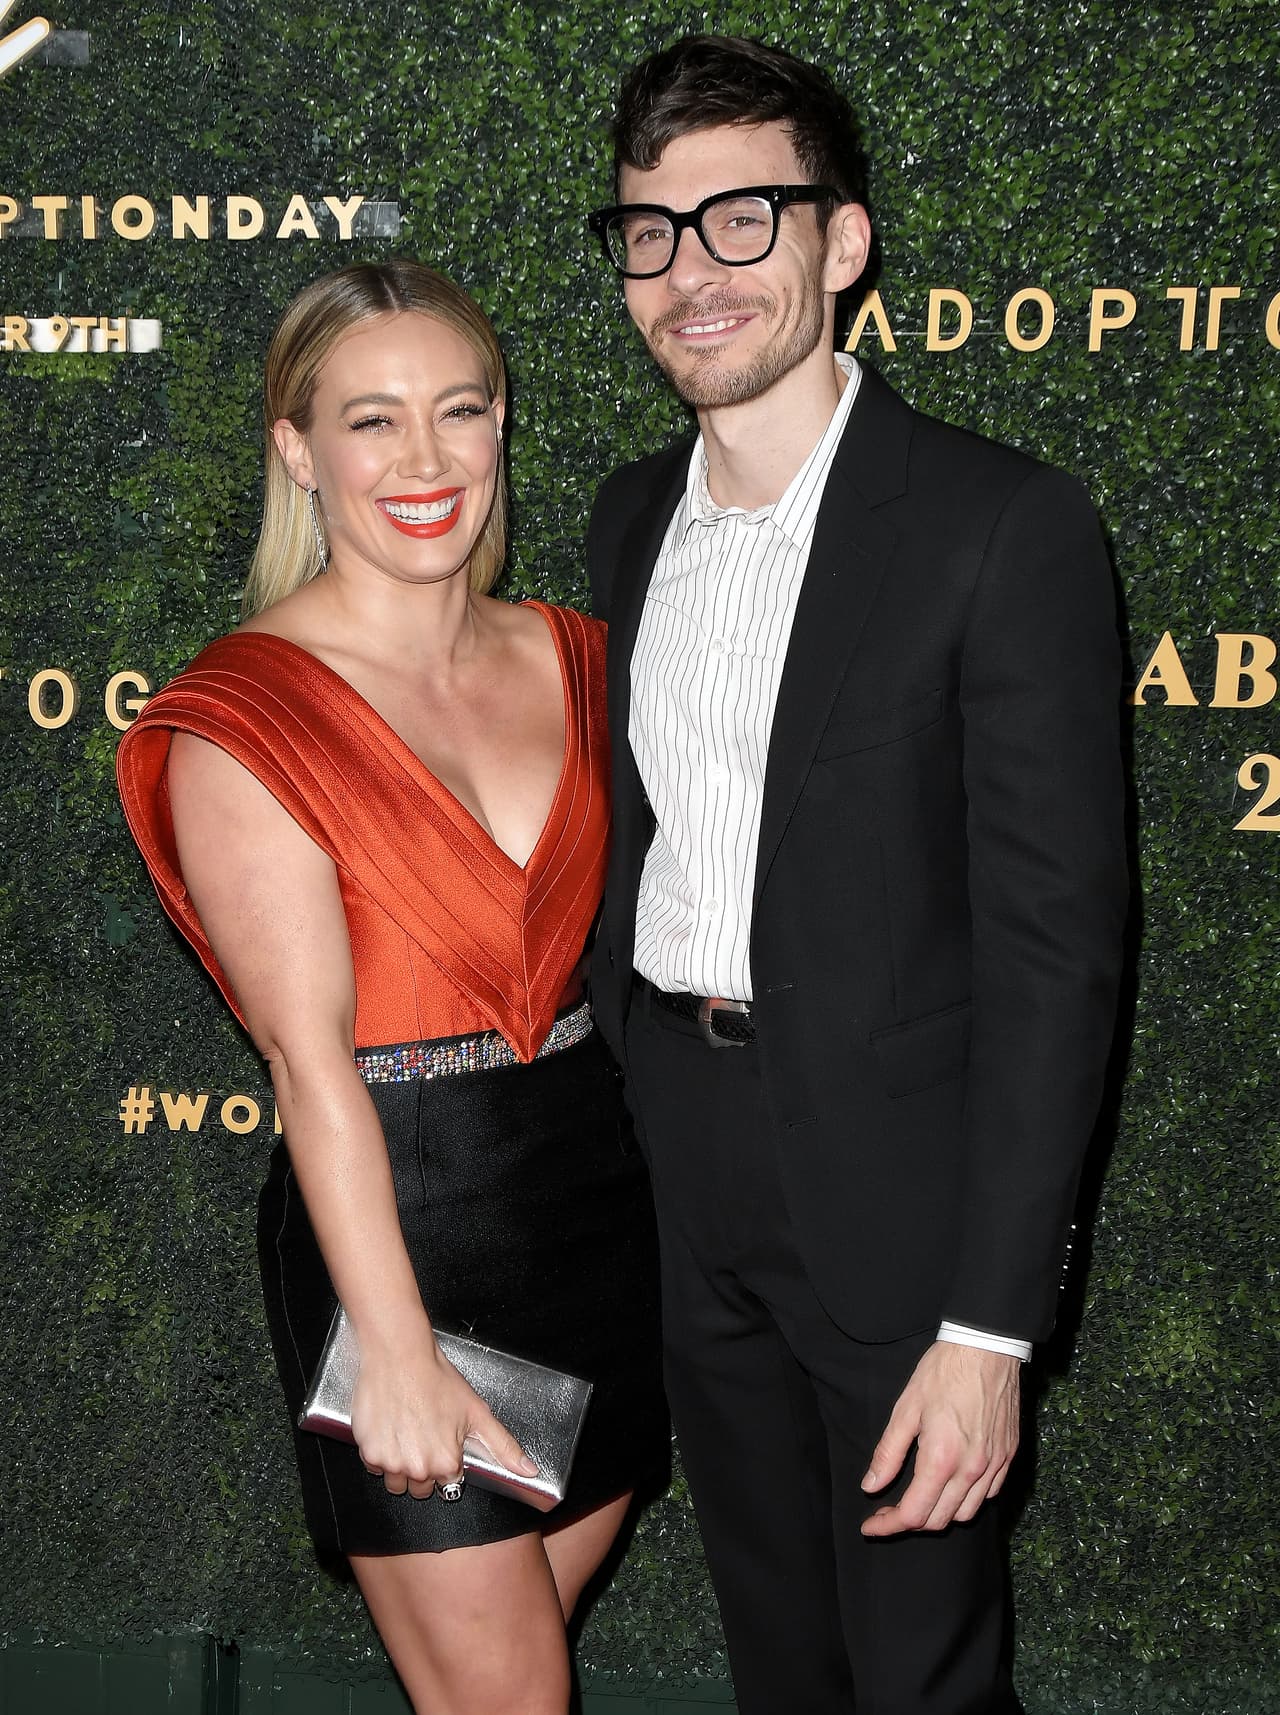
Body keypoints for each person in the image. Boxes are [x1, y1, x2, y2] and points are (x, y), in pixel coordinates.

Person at [584, 34, 1127, 1715]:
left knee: (918, 1677)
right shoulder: (620, 522)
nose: (695, 273)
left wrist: (990, 1331)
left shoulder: (998, 525)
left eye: (745, 220)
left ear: (846, 241)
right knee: (780, 1655)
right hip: (679, 1154)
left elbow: (1060, 955)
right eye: (653, 232)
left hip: (902, 1198)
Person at [116, 260, 666, 1715]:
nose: (424, 462)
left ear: (501, 430)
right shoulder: (247, 714)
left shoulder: (586, 658)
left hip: (608, 1221)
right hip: (406, 1238)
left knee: (495, 1686)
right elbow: (310, 1072)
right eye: (372, 422)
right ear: (299, 451)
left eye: (460, 411)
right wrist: (401, 1357)